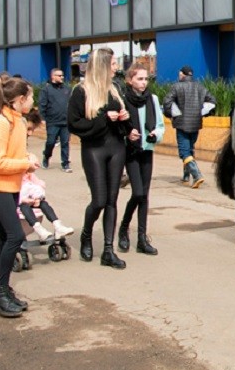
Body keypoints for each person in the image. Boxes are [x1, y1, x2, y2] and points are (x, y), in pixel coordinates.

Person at [0, 77, 40, 317]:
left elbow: (15, 153)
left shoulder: (18, 121)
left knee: (4, 237)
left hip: (11, 185)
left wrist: (27, 159)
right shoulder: (2, 122)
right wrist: (24, 163)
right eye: (30, 97)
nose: (33, 101)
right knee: (15, 235)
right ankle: (0, 293)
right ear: (19, 100)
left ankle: (3, 290)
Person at [67, 48, 134, 270]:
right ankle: (86, 235)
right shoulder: (81, 91)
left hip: (116, 148)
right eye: (113, 64)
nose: (116, 68)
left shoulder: (115, 90)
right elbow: (74, 124)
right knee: (99, 200)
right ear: (103, 66)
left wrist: (125, 121)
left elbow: (124, 124)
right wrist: (103, 119)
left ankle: (108, 250)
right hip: (94, 149)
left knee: (112, 201)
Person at [119, 63, 165, 255]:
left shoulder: (152, 99)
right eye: (140, 78)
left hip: (147, 150)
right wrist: (127, 135)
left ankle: (141, 238)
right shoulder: (122, 100)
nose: (144, 82)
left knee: (144, 195)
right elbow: (117, 129)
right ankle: (123, 227)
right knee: (137, 193)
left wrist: (155, 134)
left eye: (146, 79)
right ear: (130, 81)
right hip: (130, 152)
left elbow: (161, 125)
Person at [18, 109, 74, 243]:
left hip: (25, 185)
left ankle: (57, 225)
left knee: (42, 202)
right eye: (29, 129)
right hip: (14, 190)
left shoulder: (22, 144)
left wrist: (38, 186)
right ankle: (39, 229)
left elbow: (29, 176)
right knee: (25, 205)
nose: (30, 133)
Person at [162, 65, 214, 188]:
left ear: (181, 74)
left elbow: (166, 102)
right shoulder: (200, 87)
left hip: (181, 125)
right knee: (190, 149)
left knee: (184, 152)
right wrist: (200, 113)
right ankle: (186, 176)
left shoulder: (176, 86)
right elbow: (212, 102)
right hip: (196, 125)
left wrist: (173, 114)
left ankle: (197, 175)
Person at [39, 67, 72, 173]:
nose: (62, 77)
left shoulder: (67, 89)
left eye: (62, 75)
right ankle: (46, 157)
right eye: (59, 75)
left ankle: (65, 163)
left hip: (65, 121)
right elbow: (42, 104)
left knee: (65, 143)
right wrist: (42, 118)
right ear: (53, 76)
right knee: (51, 142)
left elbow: (71, 104)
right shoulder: (46, 89)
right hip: (52, 121)